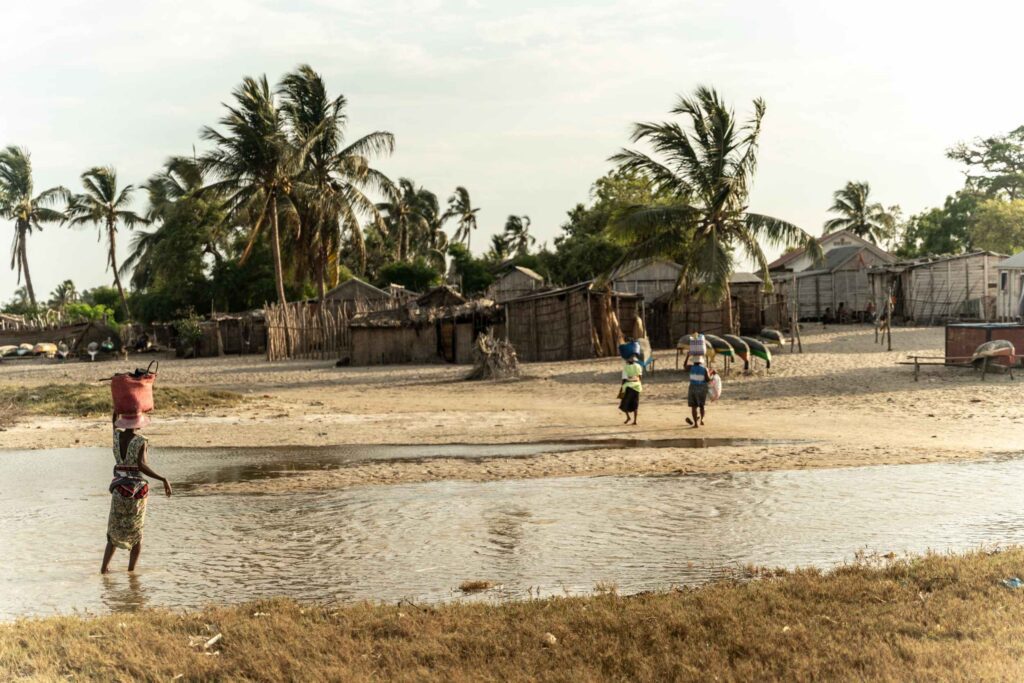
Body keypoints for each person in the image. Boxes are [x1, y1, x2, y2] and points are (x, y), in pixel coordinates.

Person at [101, 411, 171, 574]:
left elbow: (114, 420)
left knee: (113, 531)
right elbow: (142, 465)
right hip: (137, 493)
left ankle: (104, 569)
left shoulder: (117, 436)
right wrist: (163, 479)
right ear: (138, 423)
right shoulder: (140, 441)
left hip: (119, 490)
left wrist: (118, 401)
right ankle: (131, 573)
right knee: (137, 534)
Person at [685, 356, 711, 428]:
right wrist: (711, 374)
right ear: (701, 362)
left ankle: (696, 424)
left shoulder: (691, 367)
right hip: (702, 388)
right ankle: (702, 420)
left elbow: (684, 366)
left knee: (694, 407)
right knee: (702, 406)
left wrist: (687, 356)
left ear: (694, 361)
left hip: (693, 387)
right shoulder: (704, 369)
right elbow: (708, 379)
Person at [619, 354, 643, 425]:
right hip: (637, 387)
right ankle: (635, 421)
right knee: (635, 404)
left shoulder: (626, 368)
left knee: (624, 403)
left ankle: (628, 417)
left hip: (628, 386)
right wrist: (639, 383)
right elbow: (640, 376)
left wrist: (622, 387)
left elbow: (624, 379)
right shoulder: (638, 366)